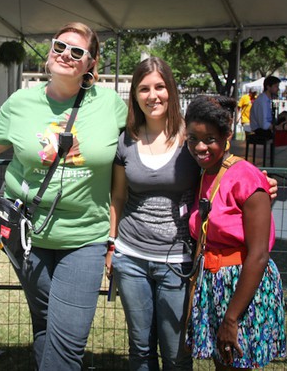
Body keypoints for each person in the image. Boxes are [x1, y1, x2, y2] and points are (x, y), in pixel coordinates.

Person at [0, 22, 128, 370]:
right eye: (60, 46)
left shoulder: (111, 105)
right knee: (44, 327)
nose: (65, 55)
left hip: (84, 238)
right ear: (49, 51)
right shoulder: (21, 102)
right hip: (28, 238)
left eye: (77, 52)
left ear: (90, 63)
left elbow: (151, 134)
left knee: (67, 343)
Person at [184, 95, 286, 369]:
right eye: (192, 138)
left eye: (210, 139)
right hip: (213, 283)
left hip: (241, 288)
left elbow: (259, 254)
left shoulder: (246, 176)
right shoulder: (206, 172)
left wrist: (232, 318)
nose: (200, 147)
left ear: (227, 135)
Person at [108, 57, 195, 370]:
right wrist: (111, 244)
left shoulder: (191, 138)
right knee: (140, 349)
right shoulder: (126, 141)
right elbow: (118, 196)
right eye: (143, 88)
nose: (152, 95)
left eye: (159, 86)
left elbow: (224, 173)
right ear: (135, 95)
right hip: (130, 258)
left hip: (178, 262)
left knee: (176, 353)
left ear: (171, 90)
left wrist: (258, 182)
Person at [250, 75, 287, 167]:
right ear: (268, 87)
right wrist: (279, 127)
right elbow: (264, 124)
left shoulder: (266, 100)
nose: (277, 89)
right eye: (276, 86)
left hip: (266, 128)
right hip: (261, 130)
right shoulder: (262, 101)